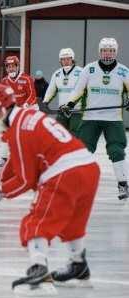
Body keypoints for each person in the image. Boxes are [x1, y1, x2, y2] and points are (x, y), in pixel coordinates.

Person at [0, 83, 100, 295]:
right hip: (88, 168)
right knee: (71, 223)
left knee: (36, 222)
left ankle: (39, 272)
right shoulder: (27, 117)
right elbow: (17, 159)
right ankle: (79, 266)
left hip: (64, 172)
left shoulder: (19, 130)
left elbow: (26, 180)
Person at [60, 37, 129, 200]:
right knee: (83, 150)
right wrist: (69, 104)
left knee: (116, 151)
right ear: (100, 51)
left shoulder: (123, 71)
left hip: (113, 119)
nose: (108, 54)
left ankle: (123, 185)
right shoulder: (89, 69)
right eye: (105, 50)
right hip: (91, 117)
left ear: (116, 52)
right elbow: (78, 90)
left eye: (111, 50)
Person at [0, 56, 38, 168]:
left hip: (28, 109)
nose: (10, 69)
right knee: (5, 132)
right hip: (13, 110)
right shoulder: (4, 81)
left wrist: (25, 106)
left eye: (13, 66)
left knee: (27, 134)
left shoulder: (26, 79)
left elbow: (32, 96)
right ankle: (3, 158)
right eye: (8, 67)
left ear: (17, 66)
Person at [42, 48, 84, 135]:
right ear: (60, 61)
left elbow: (83, 91)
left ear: (72, 59)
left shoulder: (81, 72)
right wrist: (45, 102)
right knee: (58, 133)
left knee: (75, 135)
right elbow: (51, 90)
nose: (66, 61)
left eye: (68, 59)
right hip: (62, 110)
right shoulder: (57, 74)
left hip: (77, 111)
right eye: (63, 59)